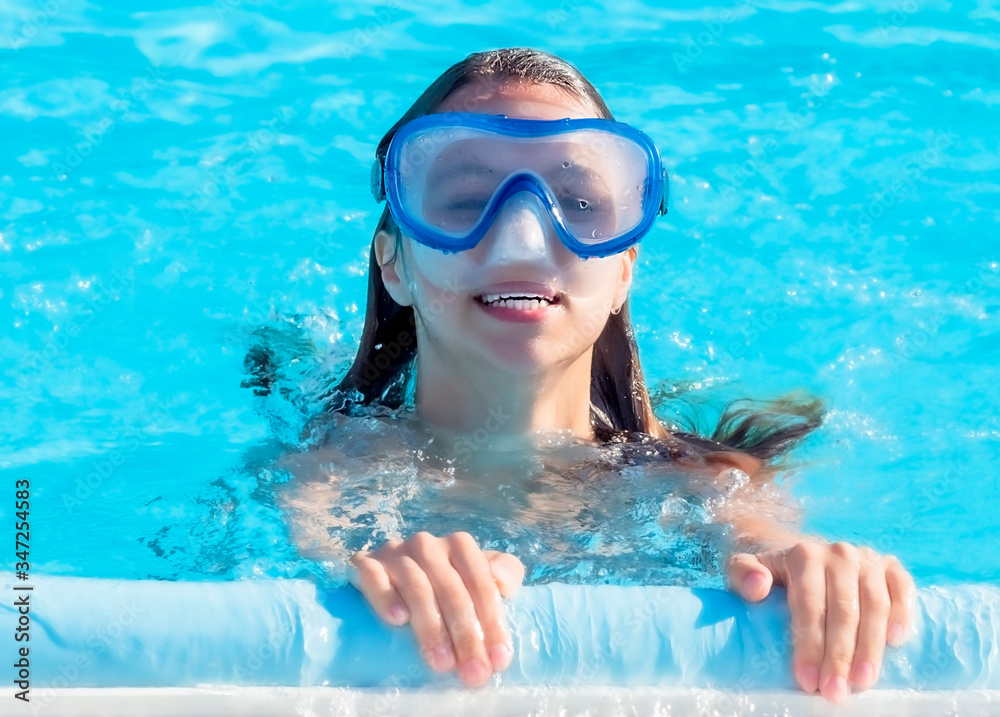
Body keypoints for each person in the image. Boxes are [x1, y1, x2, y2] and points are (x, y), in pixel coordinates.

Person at [274, 47, 915, 703]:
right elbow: (319, 534)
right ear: (394, 267)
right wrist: (375, 564)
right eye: (467, 200)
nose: (523, 239)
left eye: (577, 201)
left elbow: (765, 544)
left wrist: (812, 568)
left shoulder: (701, 480)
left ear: (622, 271)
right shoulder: (335, 466)